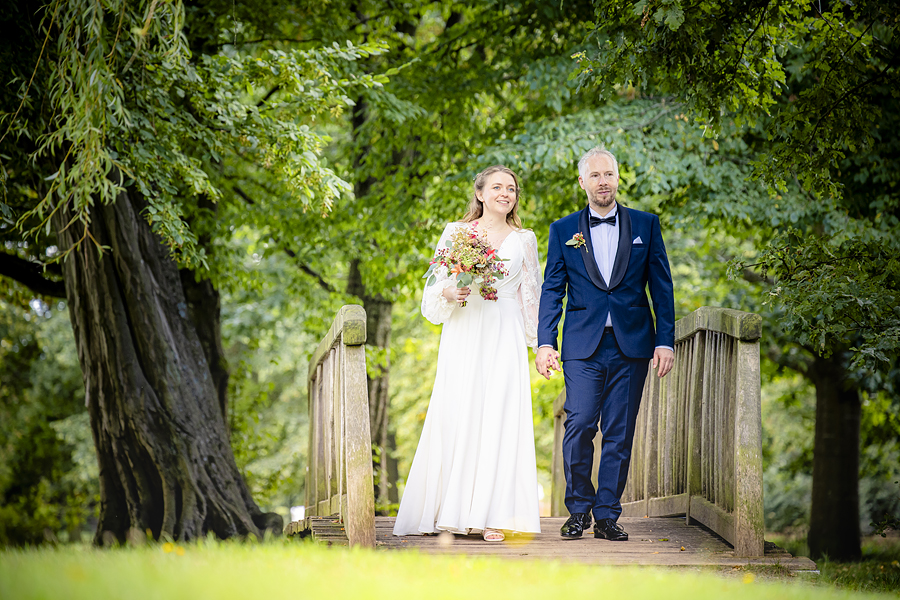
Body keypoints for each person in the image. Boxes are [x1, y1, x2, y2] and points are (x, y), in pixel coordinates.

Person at [393, 165, 542, 542]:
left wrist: (541, 344)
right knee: (459, 411)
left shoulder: (525, 239)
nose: (505, 194)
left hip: (504, 332)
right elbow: (433, 288)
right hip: (464, 330)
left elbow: (531, 295)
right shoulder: (456, 233)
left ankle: (494, 517)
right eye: (497, 187)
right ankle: (451, 510)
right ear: (480, 193)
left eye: (511, 189)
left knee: (500, 416)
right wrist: (448, 292)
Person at [535, 146, 675, 541]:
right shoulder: (563, 230)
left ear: (617, 178)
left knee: (619, 432)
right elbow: (552, 290)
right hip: (582, 345)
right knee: (579, 423)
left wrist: (665, 341)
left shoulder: (646, 225)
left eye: (609, 174)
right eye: (595, 175)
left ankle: (608, 515)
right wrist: (545, 342)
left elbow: (662, 288)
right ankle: (579, 509)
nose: (603, 182)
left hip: (633, 345)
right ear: (582, 181)